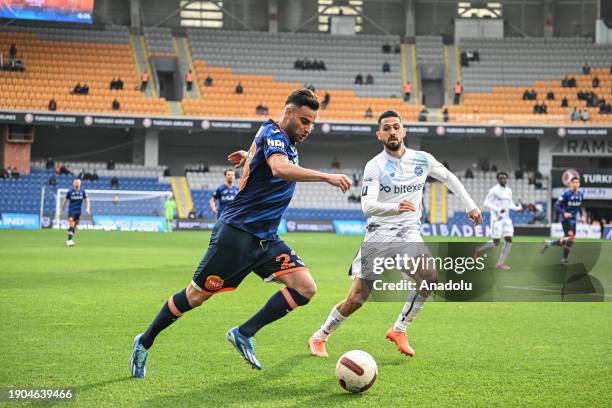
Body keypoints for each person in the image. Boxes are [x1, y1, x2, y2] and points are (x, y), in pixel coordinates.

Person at [130, 88, 352, 377]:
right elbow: (279, 168)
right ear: (288, 113)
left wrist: (250, 155)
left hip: (266, 239)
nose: (309, 128)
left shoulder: (281, 139)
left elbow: (269, 154)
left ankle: (244, 333)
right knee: (195, 296)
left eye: (313, 123)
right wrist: (326, 176)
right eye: (305, 121)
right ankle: (144, 341)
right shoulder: (273, 132)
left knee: (305, 287)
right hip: (237, 235)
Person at [307, 110, 482, 358]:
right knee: (357, 299)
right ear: (380, 135)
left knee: (429, 277)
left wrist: (471, 205)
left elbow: (449, 177)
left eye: (396, 127)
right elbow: (367, 207)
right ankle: (320, 336)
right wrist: (395, 207)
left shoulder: (422, 159)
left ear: (404, 131)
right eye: (386, 128)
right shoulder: (375, 166)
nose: (392, 132)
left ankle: (399, 328)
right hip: (379, 234)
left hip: (408, 232)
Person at [475, 172, 522, 270]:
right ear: (498, 179)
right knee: (496, 242)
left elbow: (509, 203)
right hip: (497, 220)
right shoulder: (494, 190)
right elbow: (486, 203)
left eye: (504, 178)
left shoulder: (509, 190)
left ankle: (500, 263)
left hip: (506, 219)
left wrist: (517, 208)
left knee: (509, 240)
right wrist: (498, 209)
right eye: (501, 178)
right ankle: (479, 250)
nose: (503, 179)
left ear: (507, 179)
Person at [542, 176, 584, 264]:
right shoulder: (566, 194)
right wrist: (564, 213)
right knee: (570, 238)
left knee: (570, 240)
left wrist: (582, 216)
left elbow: (579, 206)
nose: (575, 184)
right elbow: (556, 205)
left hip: (574, 220)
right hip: (566, 219)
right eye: (574, 182)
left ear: (579, 184)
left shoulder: (580, 194)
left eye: (577, 182)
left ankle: (549, 243)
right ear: (571, 184)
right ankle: (563, 259)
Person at [60, 179, 90, 247]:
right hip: (71, 210)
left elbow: (87, 200)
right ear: (74, 184)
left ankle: (70, 237)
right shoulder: (70, 192)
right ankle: (69, 240)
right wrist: (62, 209)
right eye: (75, 184)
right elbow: (65, 201)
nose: (76, 185)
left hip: (78, 211)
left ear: (79, 184)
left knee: (74, 226)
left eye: (77, 184)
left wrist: (87, 208)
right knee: (72, 224)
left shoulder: (83, 191)